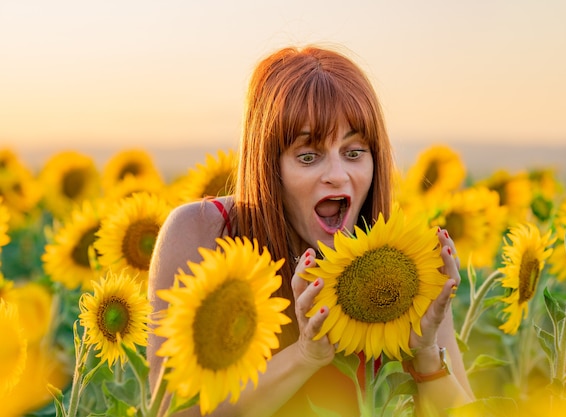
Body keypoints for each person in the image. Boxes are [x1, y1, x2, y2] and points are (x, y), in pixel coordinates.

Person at [147, 45, 474, 416]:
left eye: (354, 152)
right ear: (270, 167)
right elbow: (172, 409)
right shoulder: (202, 234)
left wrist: (427, 355)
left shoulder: (404, 266)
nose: (337, 175)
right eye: (308, 156)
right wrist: (304, 356)